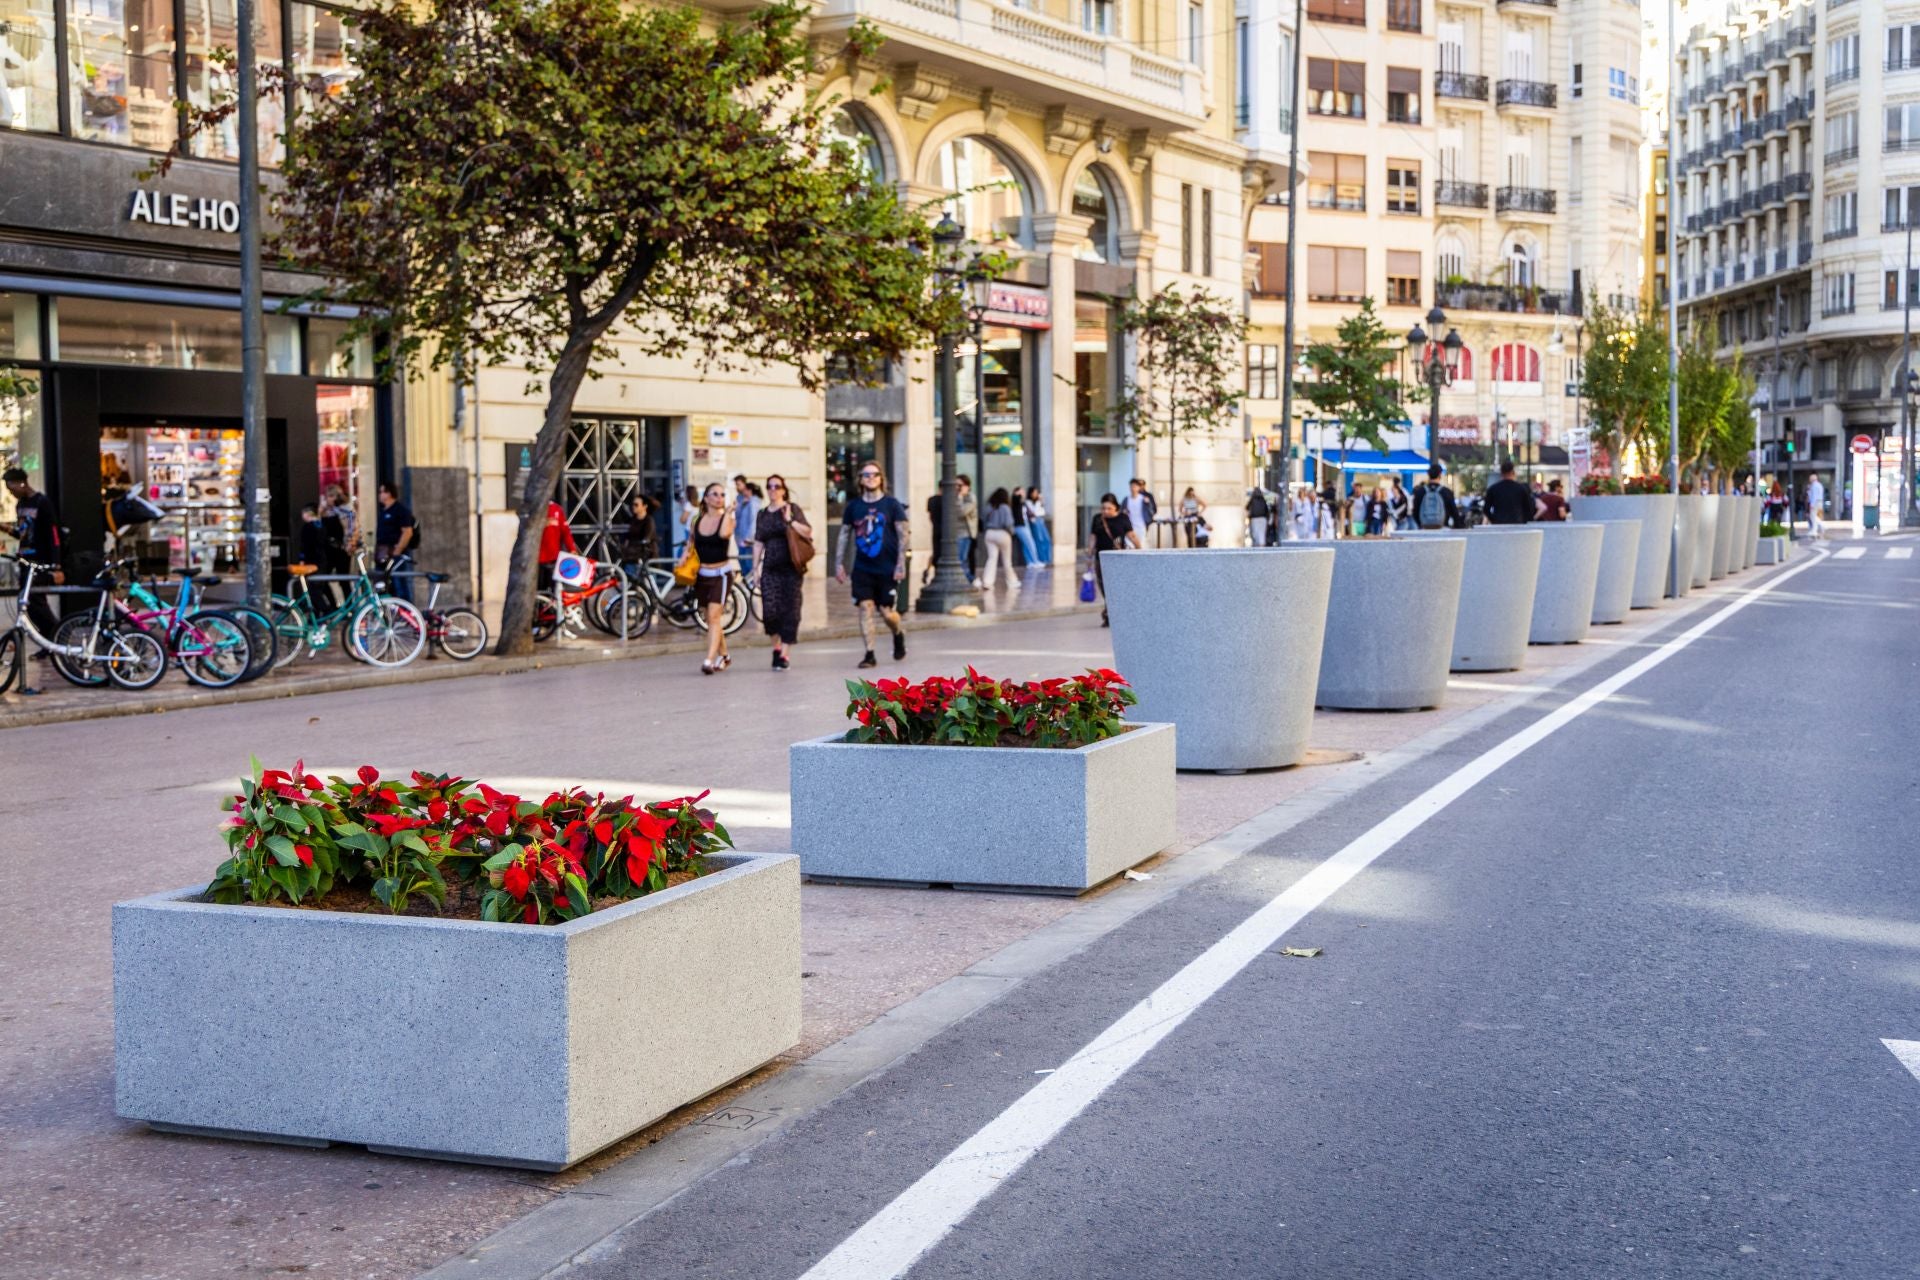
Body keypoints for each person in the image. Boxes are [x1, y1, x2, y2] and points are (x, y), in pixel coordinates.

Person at [835, 463, 910, 669]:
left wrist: (900, 564)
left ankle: (898, 632)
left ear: (881, 478)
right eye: (866, 475)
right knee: (865, 607)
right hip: (863, 567)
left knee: (887, 614)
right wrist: (839, 563)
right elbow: (844, 535)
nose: (870, 478)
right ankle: (869, 654)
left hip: (887, 568)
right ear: (860, 479)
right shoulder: (854, 507)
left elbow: (904, 535)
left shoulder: (891, 505)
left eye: (874, 474)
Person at [751, 475, 809, 671]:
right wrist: (755, 568)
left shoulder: (791, 510)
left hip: (791, 567)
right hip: (770, 568)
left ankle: (784, 653)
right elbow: (758, 542)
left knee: (790, 610)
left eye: (777, 486)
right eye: (769, 486)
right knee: (770, 612)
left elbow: (808, 532)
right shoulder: (762, 514)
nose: (773, 490)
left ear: (784, 490)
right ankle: (776, 646)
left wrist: (790, 521)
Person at [4, 466, 62, 647]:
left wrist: (56, 564)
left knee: (37, 602)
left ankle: (55, 636)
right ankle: (47, 641)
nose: (11, 493)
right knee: (27, 603)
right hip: (25, 560)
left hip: (40, 561)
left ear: (22, 483)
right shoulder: (20, 505)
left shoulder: (41, 502)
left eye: (12, 488)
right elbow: (24, 533)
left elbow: (53, 534)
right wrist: (7, 529)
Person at [689, 482, 735, 674]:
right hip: (702, 574)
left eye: (722, 495)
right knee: (710, 619)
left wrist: (729, 512)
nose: (719, 498)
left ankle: (709, 660)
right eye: (714, 494)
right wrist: (684, 556)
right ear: (706, 498)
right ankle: (725, 656)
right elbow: (691, 541)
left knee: (715, 616)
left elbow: (724, 534)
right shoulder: (697, 520)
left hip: (720, 574)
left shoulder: (727, 519)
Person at [1087, 491, 1141, 626]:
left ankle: (1112, 614)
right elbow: (1093, 536)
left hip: (1119, 559)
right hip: (1101, 559)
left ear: (1116, 507)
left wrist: (1139, 550)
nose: (1105, 511)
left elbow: (1132, 535)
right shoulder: (1097, 519)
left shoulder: (1122, 518)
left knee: (1117, 588)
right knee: (1104, 587)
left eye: (1109, 508)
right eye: (1103, 508)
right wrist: (1089, 552)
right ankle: (1110, 613)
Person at [375, 481, 420, 602]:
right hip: (382, 552)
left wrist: (398, 550)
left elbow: (407, 532)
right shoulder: (383, 511)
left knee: (399, 582)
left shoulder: (400, 510)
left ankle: (407, 611)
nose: (380, 495)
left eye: (382, 491)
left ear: (389, 493)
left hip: (395, 553)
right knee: (383, 583)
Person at [296, 504, 338, 613]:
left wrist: (302, 559)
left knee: (313, 589)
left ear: (308, 514)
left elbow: (304, 545)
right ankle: (326, 608)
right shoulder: (322, 526)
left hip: (311, 560)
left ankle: (324, 610)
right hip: (322, 560)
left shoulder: (307, 527)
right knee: (319, 586)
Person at [981, 488, 1021, 590]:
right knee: (1007, 561)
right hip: (1002, 534)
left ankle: (987, 582)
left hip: (989, 533)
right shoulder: (1005, 508)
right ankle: (1012, 581)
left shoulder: (988, 507)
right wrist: (1012, 533)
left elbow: (983, 520)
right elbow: (1008, 523)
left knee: (991, 558)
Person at [537, 497, 577, 592]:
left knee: (554, 587)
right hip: (537, 559)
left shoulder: (557, 509)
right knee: (540, 587)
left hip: (554, 557)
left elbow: (565, 532)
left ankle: (552, 606)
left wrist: (572, 548)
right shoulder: (535, 510)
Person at [1409, 465, 1458, 530]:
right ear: (1440, 475)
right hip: (1443, 529)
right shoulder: (1446, 492)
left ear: (1428, 475)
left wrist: (1420, 524)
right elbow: (1454, 512)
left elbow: (1415, 512)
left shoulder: (1420, 492)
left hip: (1424, 529)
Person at [618, 494, 658, 571]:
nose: (633, 507)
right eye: (633, 504)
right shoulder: (632, 520)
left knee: (647, 579)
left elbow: (648, 537)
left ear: (644, 506)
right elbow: (628, 536)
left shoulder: (649, 520)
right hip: (632, 556)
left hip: (646, 555)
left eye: (636, 505)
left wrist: (640, 543)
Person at [733, 475, 761, 577]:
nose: (737, 487)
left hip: (748, 539)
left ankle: (751, 582)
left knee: (747, 561)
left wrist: (750, 538)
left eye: (739, 484)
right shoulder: (741, 499)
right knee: (742, 559)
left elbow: (753, 520)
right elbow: (737, 515)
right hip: (741, 536)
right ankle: (747, 581)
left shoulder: (754, 502)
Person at [955, 474, 979, 584]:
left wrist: (960, 496)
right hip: (954, 533)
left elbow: (961, 512)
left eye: (960, 485)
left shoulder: (970, 497)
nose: (957, 487)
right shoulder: (953, 497)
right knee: (959, 560)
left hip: (965, 533)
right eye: (956, 485)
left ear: (967, 486)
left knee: (962, 560)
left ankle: (970, 579)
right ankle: (968, 579)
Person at [1009, 484, 1040, 568]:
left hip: (1025, 524)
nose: (1023, 493)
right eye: (1021, 491)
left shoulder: (1022, 503)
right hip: (1020, 525)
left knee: (1027, 544)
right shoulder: (1015, 500)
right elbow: (1015, 498)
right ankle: (1035, 561)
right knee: (1030, 543)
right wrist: (1018, 494)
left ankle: (1030, 562)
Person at [1025, 487, 1053, 563]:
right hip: (1035, 522)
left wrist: (1039, 503)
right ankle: (1042, 559)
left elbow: (1042, 512)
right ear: (1031, 493)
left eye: (1037, 492)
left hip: (1041, 521)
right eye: (1035, 492)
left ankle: (1048, 559)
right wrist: (1039, 503)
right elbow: (1034, 512)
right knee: (1039, 540)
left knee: (1047, 540)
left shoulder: (1038, 502)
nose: (1036, 494)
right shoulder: (1028, 502)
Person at [1125, 478, 1156, 544]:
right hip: (1129, 527)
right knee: (1130, 545)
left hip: (1141, 526)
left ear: (1139, 487)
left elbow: (1152, 511)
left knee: (1141, 545)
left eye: (1134, 486)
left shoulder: (1144, 499)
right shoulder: (1126, 499)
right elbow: (1122, 511)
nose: (1132, 488)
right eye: (1131, 486)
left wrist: (1148, 504)